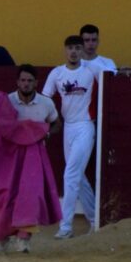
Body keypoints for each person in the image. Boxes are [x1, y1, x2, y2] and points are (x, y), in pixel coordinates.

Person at [0, 64, 62, 254]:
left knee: (30, 196)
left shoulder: (46, 103)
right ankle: (1, 237)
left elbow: (56, 123)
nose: (26, 84)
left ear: (36, 83)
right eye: (23, 80)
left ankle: (24, 239)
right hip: (7, 157)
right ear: (17, 82)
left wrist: (46, 134)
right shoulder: (6, 102)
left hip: (34, 154)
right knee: (4, 195)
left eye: (30, 81)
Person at [42, 35, 101, 239]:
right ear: (65, 50)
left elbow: (113, 80)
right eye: (70, 48)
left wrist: (127, 71)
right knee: (78, 177)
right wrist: (50, 122)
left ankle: (66, 226)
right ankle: (95, 220)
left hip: (86, 126)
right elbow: (45, 100)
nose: (74, 52)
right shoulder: (57, 73)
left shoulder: (93, 70)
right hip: (68, 127)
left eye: (77, 48)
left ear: (82, 49)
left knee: (71, 175)